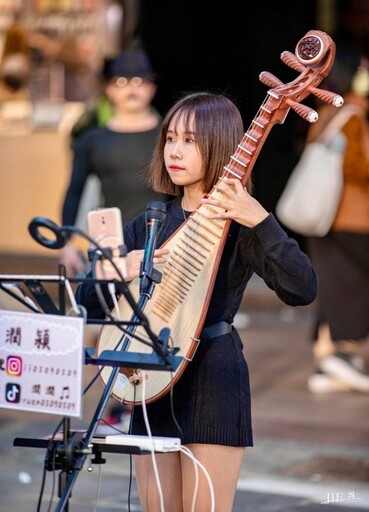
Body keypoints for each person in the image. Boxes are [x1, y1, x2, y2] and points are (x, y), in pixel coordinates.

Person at [75, 91, 317, 511]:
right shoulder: (152, 221)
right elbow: (87, 305)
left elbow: (302, 289)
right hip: (150, 375)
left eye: (190, 140)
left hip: (214, 378)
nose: (175, 151)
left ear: (220, 145)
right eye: (170, 138)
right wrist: (124, 267)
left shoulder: (239, 224)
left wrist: (260, 219)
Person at [60, 46, 168, 277]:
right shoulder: (92, 140)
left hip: (165, 242)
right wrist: (65, 244)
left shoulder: (170, 137)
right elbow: (74, 192)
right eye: (121, 82)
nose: (131, 88)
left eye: (139, 81)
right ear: (109, 89)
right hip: (111, 241)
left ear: (152, 87)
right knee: (110, 309)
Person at [304, 48, 369, 394]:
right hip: (353, 218)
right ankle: (340, 355)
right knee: (354, 286)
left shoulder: (328, 111)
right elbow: (356, 167)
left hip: (323, 216)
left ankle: (325, 360)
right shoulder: (354, 113)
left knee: (333, 284)